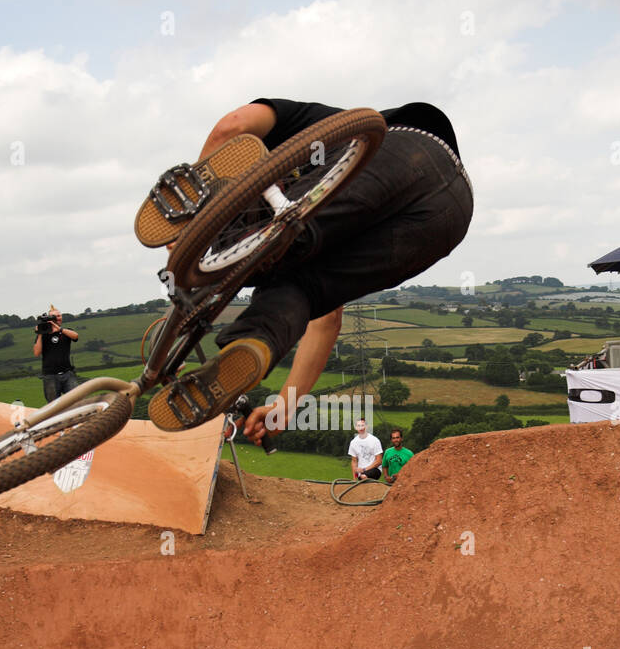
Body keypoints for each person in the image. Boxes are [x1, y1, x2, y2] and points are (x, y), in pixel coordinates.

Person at [151, 97, 473, 438]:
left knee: (281, 240)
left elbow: (232, 127)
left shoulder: (310, 123)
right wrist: (286, 405)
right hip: (448, 219)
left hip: (408, 150)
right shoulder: (316, 160)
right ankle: (251, 344)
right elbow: (326, 320)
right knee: (303, 284)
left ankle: (202, 219)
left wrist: (196, 221)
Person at [33, 305, 79, 401]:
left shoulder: (66, 332)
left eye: (59, 316)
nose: (57, 318)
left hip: (67, 373)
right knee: (53, 405)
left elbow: (75, 336)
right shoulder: (43, 335)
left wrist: (60, 330)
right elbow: (37, 353)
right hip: (50, 376)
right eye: (54, 316)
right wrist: (40, 334)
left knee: (76, 400)